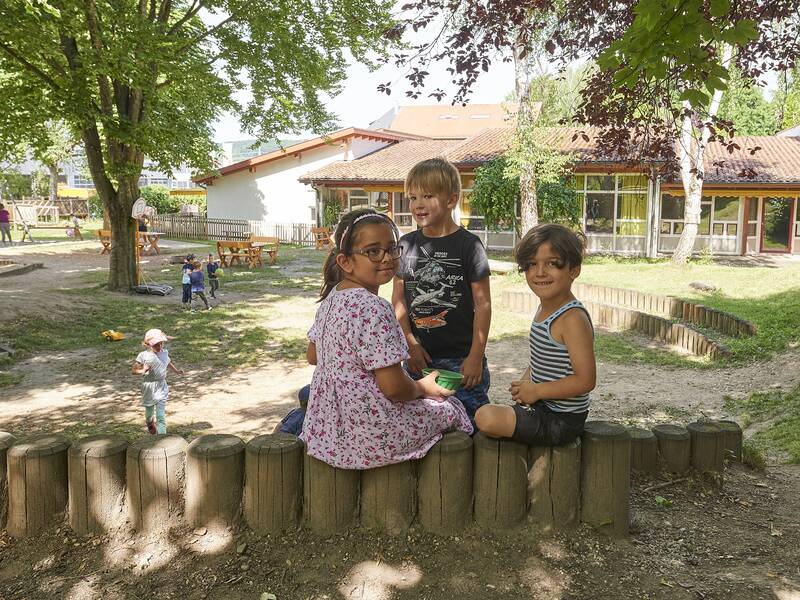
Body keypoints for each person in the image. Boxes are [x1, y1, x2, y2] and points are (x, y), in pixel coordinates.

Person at [301, 209, 472, 470]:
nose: (386, 258)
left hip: (327, 427)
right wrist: (424, 388)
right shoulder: (373, 307)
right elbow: (393, 388)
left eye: (392, 249)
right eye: (372, 251)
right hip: (369, 434)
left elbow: (313, 355)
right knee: (452, 408)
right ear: (346, 262)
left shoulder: (332, 299)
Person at [475, 224, 596, 446]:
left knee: (486, 417)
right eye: (532, 264)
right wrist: (527, 381)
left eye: (552, 263)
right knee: (487, 421)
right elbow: (545, 358)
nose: (540, 272)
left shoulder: (572, 319)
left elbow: (585, 380)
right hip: (543, 406)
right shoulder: (544, 309)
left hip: (562, 420)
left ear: (574, 270)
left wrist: (537, 391)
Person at [392, 157, 492, 426]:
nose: (418, 205)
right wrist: (409, 344)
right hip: (419, 359)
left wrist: (475, 356)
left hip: (462, 359)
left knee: (473, 425)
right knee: (420, 424)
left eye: (427, 196)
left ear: (451, 200)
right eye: (412, 197)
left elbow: (483, 305)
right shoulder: (406, 245)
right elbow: (398, 301)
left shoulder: (469, 245)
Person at [131, 328, 183, 434]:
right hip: (149, 387)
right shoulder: (143, 355)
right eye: (156, 345)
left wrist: (176, 371)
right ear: (148, 345)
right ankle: (150, 423)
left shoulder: (164, 353)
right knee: (149, 413)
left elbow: (167, 362)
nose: (159, 347)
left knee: (160, 415)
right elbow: (134, 370)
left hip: (161, 386)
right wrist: (143, 371)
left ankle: (161, 437)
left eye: (161, 344)